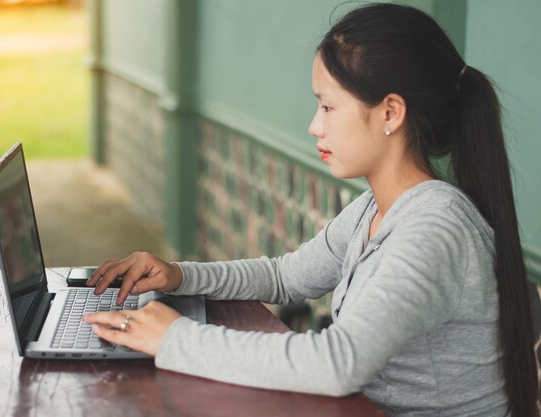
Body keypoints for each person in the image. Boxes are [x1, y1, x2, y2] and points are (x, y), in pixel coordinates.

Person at [83, 3, 539, 416]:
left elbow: (337, 365)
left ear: (390, 113)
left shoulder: (435, 229)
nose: (314, 125)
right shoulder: (375, 209)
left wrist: (174, 339)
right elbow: (286, 277)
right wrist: (180, 276)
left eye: (328, 106)